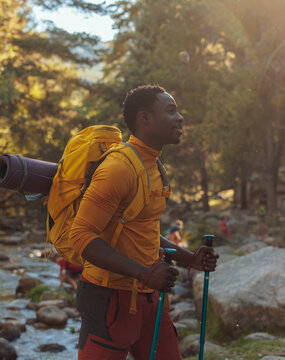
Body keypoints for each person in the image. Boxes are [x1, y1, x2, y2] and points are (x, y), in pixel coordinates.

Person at [69, 85, 218, 359]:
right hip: (108, 298)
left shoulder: (154, 166)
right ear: (145, 118)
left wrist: (190, 259)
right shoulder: (118, 168)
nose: (180, 118)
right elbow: (79, 236)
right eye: (170, 111)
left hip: (150, 298)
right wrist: (143, 272)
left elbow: (142, 232)